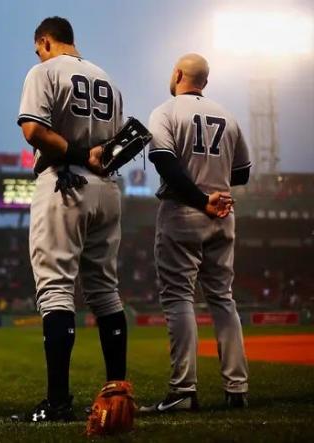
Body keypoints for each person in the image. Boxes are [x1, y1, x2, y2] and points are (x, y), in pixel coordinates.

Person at [14, 17, 129, 421]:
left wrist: (79, 156)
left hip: (65, 180)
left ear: (45, 41)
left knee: (57, 290)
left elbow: (33, 130)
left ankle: (58, 402)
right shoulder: (107, 79)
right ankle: (119, 394)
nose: (37, 54)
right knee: (105, 291)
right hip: (109, 188)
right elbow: (118, 143)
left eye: (37, 47)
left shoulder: (44, 71)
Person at [141, 53, 251, 413]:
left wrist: (202, 198)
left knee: (179, 298)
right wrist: (214, 191)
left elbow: (165, 163)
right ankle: (237, 388)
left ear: (177, 74)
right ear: (206, 80)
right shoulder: (228, 115)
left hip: (184, 211)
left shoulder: (166, 111)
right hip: (223, 213)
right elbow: (243, 173)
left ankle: (183, 390)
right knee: (223, 298)